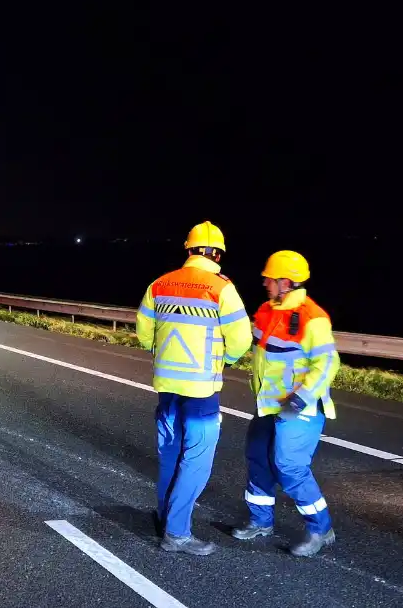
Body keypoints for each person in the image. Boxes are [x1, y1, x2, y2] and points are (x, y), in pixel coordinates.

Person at [135, 221, 252, 555]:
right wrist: (224, 359)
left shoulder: (159, 284)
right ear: (217, 253)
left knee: (170, 454)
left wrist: (162, 354)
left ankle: (164, 517)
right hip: (201, 390)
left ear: (188, 249)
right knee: (196, 460)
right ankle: (177, 533)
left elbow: (144, 332)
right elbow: (241, 339)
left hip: (167, 387)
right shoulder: (221, 288)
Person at [233, 250, 340, 557]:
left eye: (270, 278)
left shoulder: (312, 317)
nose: (265, 282)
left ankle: (321, 529)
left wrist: (301, 397)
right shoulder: (266, 310)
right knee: (258, 458)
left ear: (286, 282)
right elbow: (252, 347)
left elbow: (327, 364)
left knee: (290, 467)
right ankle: (260, 520)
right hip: (268, 404)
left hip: (299, 407)